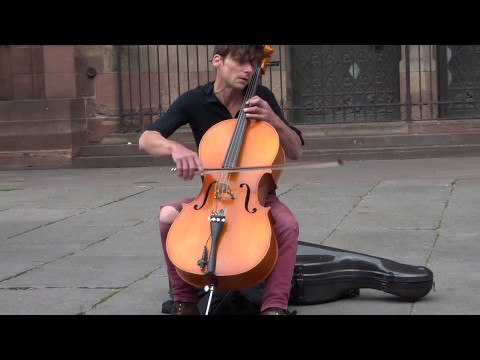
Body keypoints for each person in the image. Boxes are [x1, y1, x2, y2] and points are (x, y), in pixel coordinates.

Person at [139, 45, 304, 315]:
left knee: (286, 225)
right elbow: (147, 139)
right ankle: (185, 301)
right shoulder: (194, 100)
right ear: (218, 60)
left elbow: (295, 150)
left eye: (252, 63)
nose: (249, 70)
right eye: (240, 62)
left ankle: (274, 307)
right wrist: (175, 148)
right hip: (213, 195)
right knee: (167, 215)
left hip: (258, 198)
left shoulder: (261, 96)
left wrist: (273, 119)